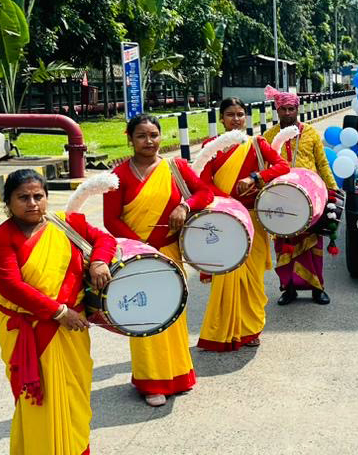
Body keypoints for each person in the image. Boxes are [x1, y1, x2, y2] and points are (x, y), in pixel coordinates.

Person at [0, 169, 116, 455]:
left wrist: (99, 262)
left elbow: (105, 240)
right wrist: (59, 313)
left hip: (72, 328)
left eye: (38, 196)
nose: (32, 203)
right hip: (30, 331)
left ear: (46, 197)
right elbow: (12, 286)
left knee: (74, 397)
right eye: (23, 198)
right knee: (38, 401)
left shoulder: (66, 225)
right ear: (8, 202)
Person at [103, 114, 215, 406]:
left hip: (169, 253)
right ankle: (151, 382)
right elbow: (110, 220)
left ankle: (179, 375)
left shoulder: (175, 167)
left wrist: (185, 205)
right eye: (141, 136)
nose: (149, 141)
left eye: (154, 135)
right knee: (144, 314)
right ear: (130, 138)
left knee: (173, 313)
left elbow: (205, 192)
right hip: (137, 258)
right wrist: (141, 248)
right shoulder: (118, 176)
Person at [196, 97, 289, 351]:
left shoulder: (257, 143)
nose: (235, 119)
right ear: (221, 119)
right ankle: (222, 331)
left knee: (253, 276)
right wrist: (228, 204)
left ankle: (250, 330)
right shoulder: (211, 147)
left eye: (239, 114)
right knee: (225, 274)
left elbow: (282, 166)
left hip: (252, 219)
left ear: (246, 117)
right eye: (230, 115)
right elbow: (203, 183)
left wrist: (256, 177)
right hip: (224, 219)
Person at [263, 88, 338, 305]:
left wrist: (332, 190)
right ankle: (288, 289)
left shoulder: (311, 133)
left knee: (313, 245)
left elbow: (322, 163)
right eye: (283, 109)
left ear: (297, 109)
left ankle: (317, 289)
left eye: (291, 109)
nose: (287, 113)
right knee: (283, 245)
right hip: (280, 199)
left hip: (311, 199)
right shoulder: (268, 137)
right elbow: (264, 167)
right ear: (277, 111)